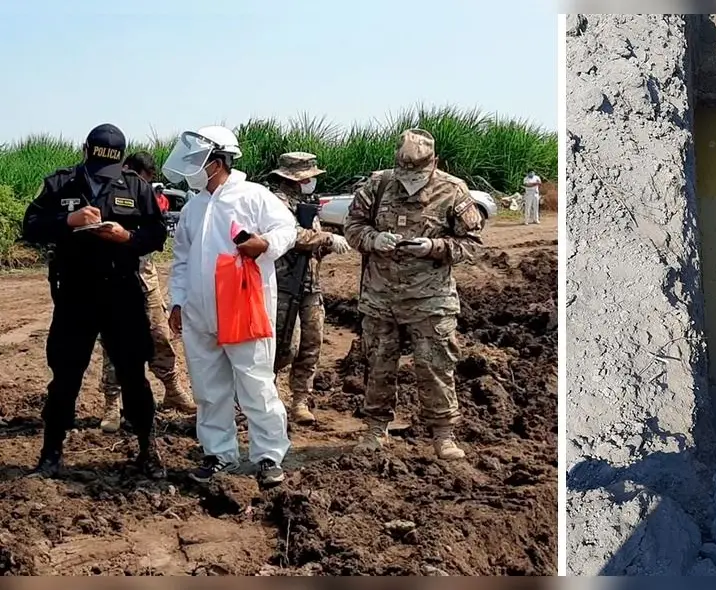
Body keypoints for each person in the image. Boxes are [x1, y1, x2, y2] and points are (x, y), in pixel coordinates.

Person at [21, 123, 168, 478]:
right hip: (75, 295)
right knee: (65, 377)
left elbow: (157, 232)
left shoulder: (137, 187)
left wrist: (127, 237)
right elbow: (30, 225)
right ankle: (51, 455)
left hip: (123, 294)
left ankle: (148, 450)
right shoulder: (61, 183)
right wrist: (67, 220)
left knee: (134, 374)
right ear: (85, 151)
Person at [165, 125, 297, 487]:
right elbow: (181, 260)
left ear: (218, 161)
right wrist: (177, 302)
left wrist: (264, 243)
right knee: (208, 388)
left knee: (255, 383)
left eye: (198, 159)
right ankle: (219, 454)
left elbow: (287, 230)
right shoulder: (193, 208)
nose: (192, 166)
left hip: (242, 306)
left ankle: (269, 456)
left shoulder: (253, 196)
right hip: (199, 312)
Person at [344, 129, 484, 460]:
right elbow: (352, 227)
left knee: (435, 366)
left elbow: (473, 244)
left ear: (434, 163)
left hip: (430, 301)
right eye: (405, 171)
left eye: (417, 172)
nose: (409, 181)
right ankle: (376, 430)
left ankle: (443, 436)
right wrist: (373, 239)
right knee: (378, 364)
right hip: (381, 298)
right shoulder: (378, 185)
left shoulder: (452, 190)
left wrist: (434, 247)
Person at [98, 151, 197, 433]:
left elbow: (157, 236)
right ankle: (111, 403)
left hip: (146, 279)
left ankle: (173, 388)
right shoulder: (106, 194)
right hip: (114, 279)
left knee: (159, 334)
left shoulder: (146, 198)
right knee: (113, 344)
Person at [268, 152, 350, 425]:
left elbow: (310, 242)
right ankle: (268, 396)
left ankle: (300, 399)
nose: (312, 182)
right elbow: (291, 236)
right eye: (309, 177)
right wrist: (325, 236)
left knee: (311, 343)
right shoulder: (274, 204)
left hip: (310, 285)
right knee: (281, 345)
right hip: (283, 285)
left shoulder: (306, 205)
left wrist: (324, 246)